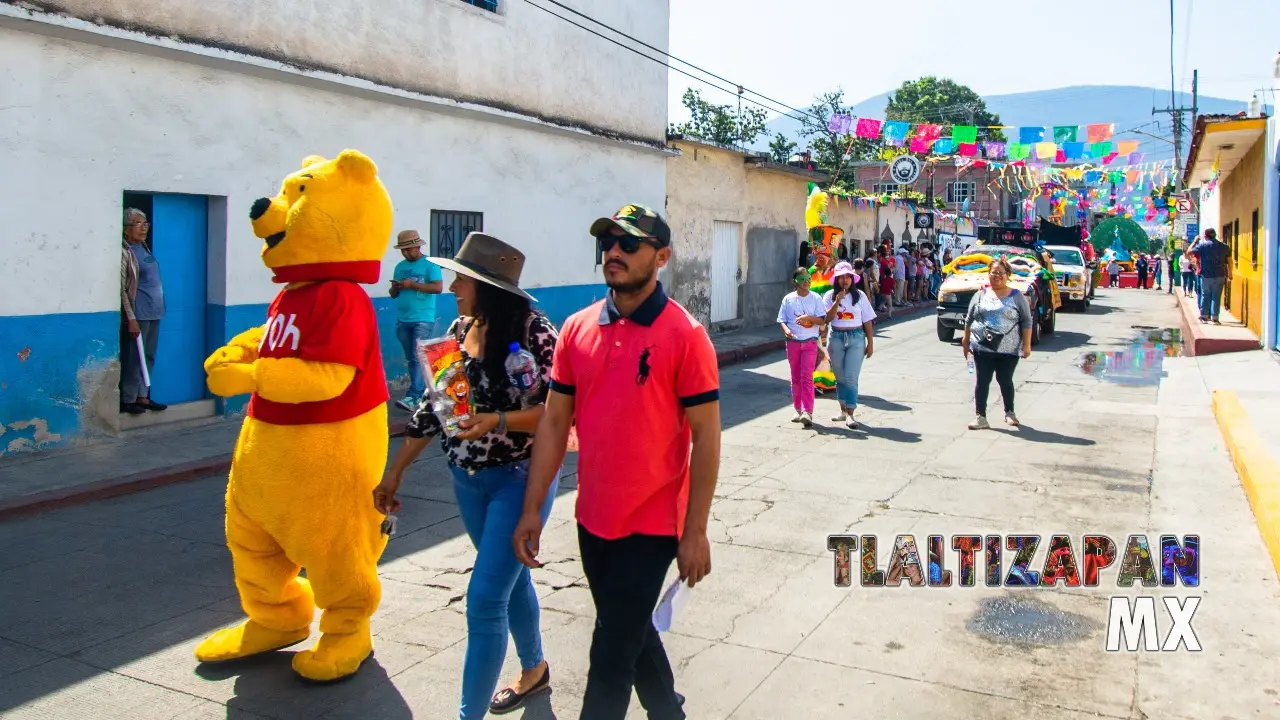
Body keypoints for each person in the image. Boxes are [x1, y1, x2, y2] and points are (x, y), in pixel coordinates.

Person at [514, 204, 719, 720]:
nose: (614, 253)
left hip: (652, 524)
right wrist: (532, 508)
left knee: (608, 656)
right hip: (593, 518)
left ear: (662, 257)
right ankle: (666, 711)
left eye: (629, 245)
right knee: (628, 628)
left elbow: (706, 438)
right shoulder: (577, 329)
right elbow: (556, 424)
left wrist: (695, 529)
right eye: (609, 243)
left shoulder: (686, 336)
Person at [374, 233, 562, 719]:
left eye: (463, 279)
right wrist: (394, 474)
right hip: (467, 479)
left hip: (519, 479)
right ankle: (535, 669)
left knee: (483, 600)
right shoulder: (459, 330)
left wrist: (498, 420)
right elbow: (433, 409)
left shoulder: (536, 333)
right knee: (509, 582)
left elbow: (562, 412)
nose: (453, 287)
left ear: (489, 287)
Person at [961, 256, 1033, 430]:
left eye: (1001, 273)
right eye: (994, 273)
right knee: (982, 381)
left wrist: (1027, 345)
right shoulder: (980, 295)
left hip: (1009, 349)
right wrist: (965, 340)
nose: (997, 276)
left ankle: (1010, 412)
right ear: (988, 274)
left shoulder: (1017, 297)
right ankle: (981, 417)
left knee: (1005, 379)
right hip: (982, 347)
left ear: (1007, 275)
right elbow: (969, 319)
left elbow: (1027, 321)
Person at [389, 230, 444, 411]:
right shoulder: (399, 267)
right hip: (403, 320)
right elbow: (393, 294)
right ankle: (424, 395)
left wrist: (411, 285)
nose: (405, 253)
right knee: (412, 359)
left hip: (423, 318)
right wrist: (396, 288)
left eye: (408, 250)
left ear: (418, 246)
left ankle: (414, 395)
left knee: (416, 356)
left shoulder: (430, 265)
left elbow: (437, 288)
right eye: (403, 250)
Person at [120, 207, 168, 415]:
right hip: (138, 314)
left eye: (145, 223)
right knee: (133, 358)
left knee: (148, 355)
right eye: (138, 223)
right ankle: (128, 399)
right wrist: (130, 318)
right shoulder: (126, 252)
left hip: (154, 312)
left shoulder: (144, 248)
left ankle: (142, 395)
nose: (144, 227)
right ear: (125, 229)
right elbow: (122, 287)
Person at [822, 262, 876, 429]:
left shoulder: (859, 296)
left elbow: (867, 321)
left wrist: (870, 343)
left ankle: (851, 414)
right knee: (840, 377)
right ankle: (843, 409)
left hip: (856, 337)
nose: (845, 280)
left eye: (848, 277)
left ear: (852, 279)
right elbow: (827, 319)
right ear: (836, 280)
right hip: (836, 337)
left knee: (851, 377)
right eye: (841, 277)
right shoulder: (829, 296)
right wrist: (837, 301)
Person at [778, 267, 828, 427]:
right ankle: (798, 409)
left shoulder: (815, 298)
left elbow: (822, 320)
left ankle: (808, 411)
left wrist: (809, 318)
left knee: (807, 376)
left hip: (810, 342)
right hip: (793, 343)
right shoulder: (788, 299)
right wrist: (787, 331)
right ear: (795, 281)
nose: (806, 281)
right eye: (802, 279)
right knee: (795, 377)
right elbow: (782, 319)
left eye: (808, 278)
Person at [1190, 228, 1232, 324]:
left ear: (1205, 236)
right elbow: (1229, 261)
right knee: (1216, 297)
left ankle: (1204, 317)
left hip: (1206, 275)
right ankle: (1215, 318)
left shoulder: (1202, 246)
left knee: (1205, 295)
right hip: (1220, 275)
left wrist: (1195, 241)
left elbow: (1189, 252)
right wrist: (1230, 273)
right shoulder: (1224, 246)